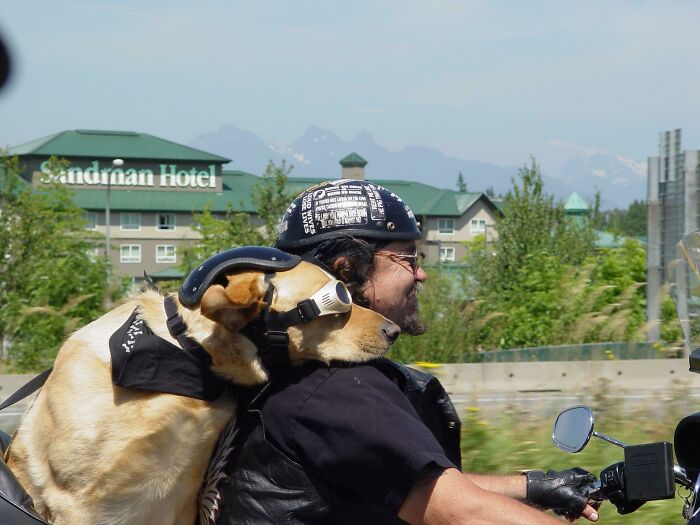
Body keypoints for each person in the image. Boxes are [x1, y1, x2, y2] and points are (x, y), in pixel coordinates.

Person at [202, 179, 598, 525]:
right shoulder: (336, 387)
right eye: (407, 259)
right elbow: (461, 512)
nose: (421, 273)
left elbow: (399, 478)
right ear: (346, 270)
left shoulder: (279, 366)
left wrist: (533, 486)